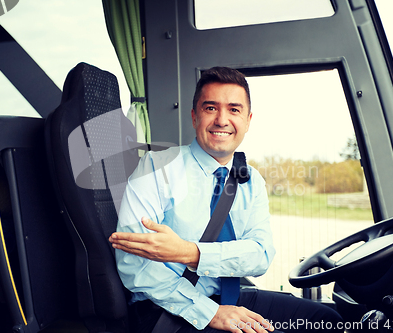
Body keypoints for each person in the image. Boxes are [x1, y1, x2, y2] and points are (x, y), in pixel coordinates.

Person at [109, 67, 343, 332]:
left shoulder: (251, 180)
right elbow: (134, 266)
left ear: (247, 119)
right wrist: (209, 312)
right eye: (210, 108)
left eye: (234, 109)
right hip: (165, 308)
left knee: (325, 322)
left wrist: (190, 253)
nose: (222, 120)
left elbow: (261, 255)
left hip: (229, 298)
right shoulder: (155, 168)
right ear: (194, 116)